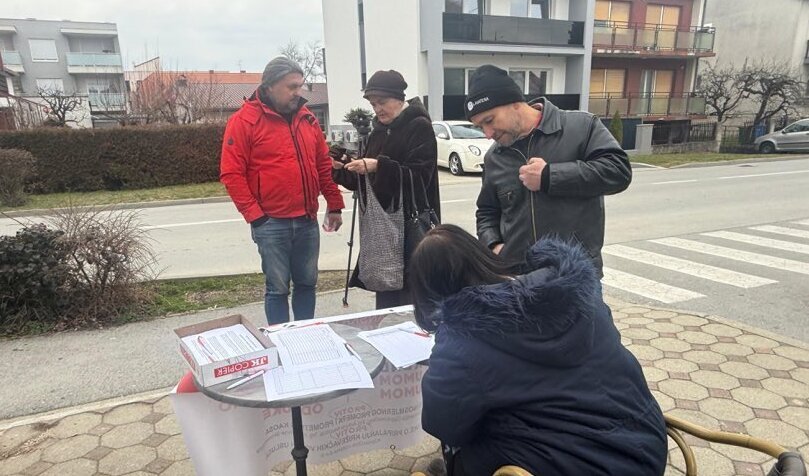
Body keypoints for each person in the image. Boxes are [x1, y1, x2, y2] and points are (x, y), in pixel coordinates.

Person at [409, 224, 667, 476]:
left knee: (467, 443)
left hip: (572, 465)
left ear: (432, 293)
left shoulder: (461, 339)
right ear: (483, 257)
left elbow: (443, 424)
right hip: (645, 446)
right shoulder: (579, 292)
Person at [468, 64, 631, 276]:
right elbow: (487, 212)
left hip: (575, 278)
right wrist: (493, 245)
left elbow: (618, 171)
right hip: (520, 281)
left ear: (515, 103)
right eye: (481, 127)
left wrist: (549, 177)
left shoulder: (581, 127)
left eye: (489, 121)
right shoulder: (495, 157)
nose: (488, 133)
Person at [220, 57, 345, 325]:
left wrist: (334, 204)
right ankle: (282, 343)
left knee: (307, 284)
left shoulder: (307, 118)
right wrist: (256, 217)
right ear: (269, 86)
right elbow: (231, 174)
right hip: (270, 223)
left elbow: (322, 164)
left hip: (307, 220)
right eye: (291, 86)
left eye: (300, 86)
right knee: (277, 289)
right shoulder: (243, 122)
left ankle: (305, 338)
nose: (297, 92)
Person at [332, 69, 439, 309]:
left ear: (399, 100)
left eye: (382, 102)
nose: (377, 109)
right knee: (387, 291)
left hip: (411, 224)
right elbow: (368, 182)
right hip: (384, 227)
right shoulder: (378, 131)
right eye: (373, 104)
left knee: (411, 296)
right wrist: (342, 168)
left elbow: (421, 176)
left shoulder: (419, 126)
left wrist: (380, 165)